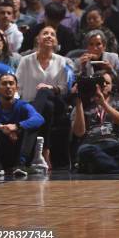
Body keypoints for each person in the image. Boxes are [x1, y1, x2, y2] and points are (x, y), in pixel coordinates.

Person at [16, 26, 68, 170]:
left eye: (52, 34)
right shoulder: (25, 60)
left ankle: (23, 157)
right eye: (45, 33)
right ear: (38, 39)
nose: (49, 36)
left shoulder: (61, 61)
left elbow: (64, 88)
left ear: (56, 41)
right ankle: (45, 152)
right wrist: (16, 105)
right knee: (46, 107)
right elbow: (17, 87)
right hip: (31, 104)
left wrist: (50, 88)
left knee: (44, 93)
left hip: (56, 100)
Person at [0, 73, 44, 177]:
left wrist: (17, 126)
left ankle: (20, 165)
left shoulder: (23, 106)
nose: (8, 86)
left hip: (20, 152)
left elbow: (39, 118)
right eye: (4, 84)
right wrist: (0, 127)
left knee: (32, 127)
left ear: (16, 88)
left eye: (11, 83)